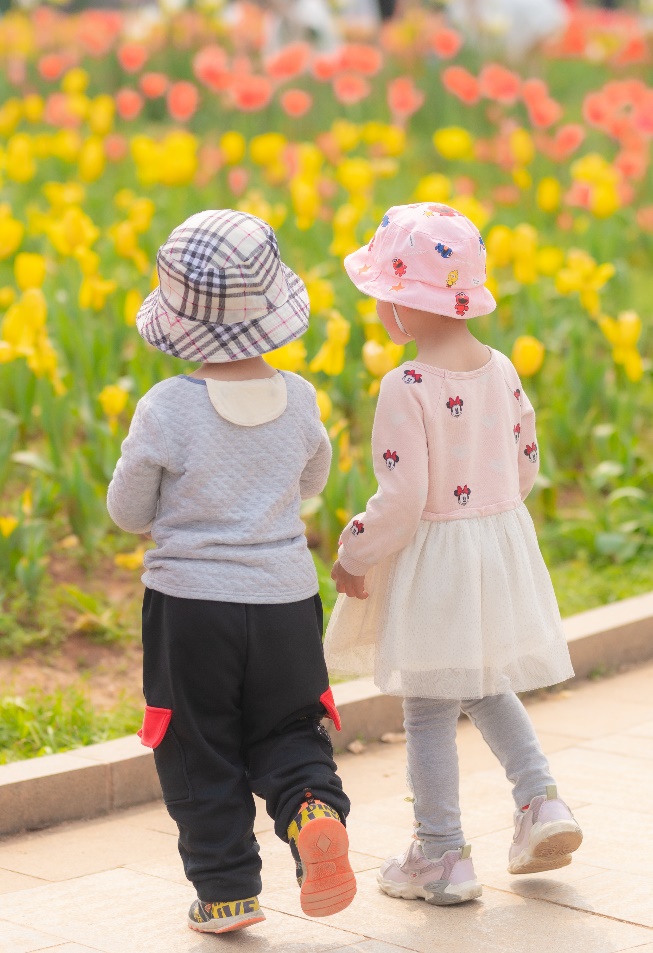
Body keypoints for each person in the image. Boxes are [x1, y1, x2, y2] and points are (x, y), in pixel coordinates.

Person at [324, 202, 582, 906]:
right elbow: (525, 463)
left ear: (404, 307)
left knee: (429, 707)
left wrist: (355, 550)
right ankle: (540, 800)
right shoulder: (499, 369)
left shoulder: (405, 385)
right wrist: (488, 512)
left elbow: (402, 497)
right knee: (482, 679)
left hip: (435, 558)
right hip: (496, 547)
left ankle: (439, 852)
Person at [107, 209, 355, 934]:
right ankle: (310, 807)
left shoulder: (165, 408)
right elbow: (310, 481)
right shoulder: (302, 398)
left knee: (197, 738)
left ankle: (225, 892)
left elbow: (128, 510)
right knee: (288, 725)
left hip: (191, 606)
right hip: (284, 598)